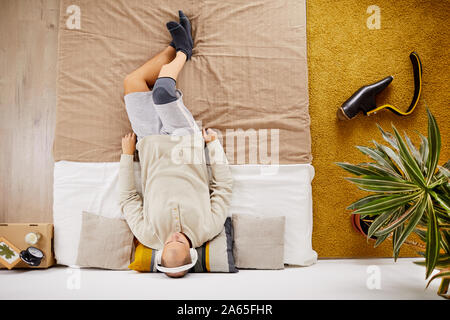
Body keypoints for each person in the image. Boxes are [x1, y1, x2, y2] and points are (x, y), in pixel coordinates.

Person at [119, 11, 233, 278]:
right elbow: (223, 187)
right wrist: (213, 146)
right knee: (161, 93)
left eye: (168, 242)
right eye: (179, 242)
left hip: (149, 143)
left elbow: (128, 198)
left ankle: (177, 46)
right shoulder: (208, 228)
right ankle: (183, 51)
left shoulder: (148, 235)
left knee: (132, 83)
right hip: (185, 140)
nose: (173, 236)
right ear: (191, 251)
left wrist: (127, 156)